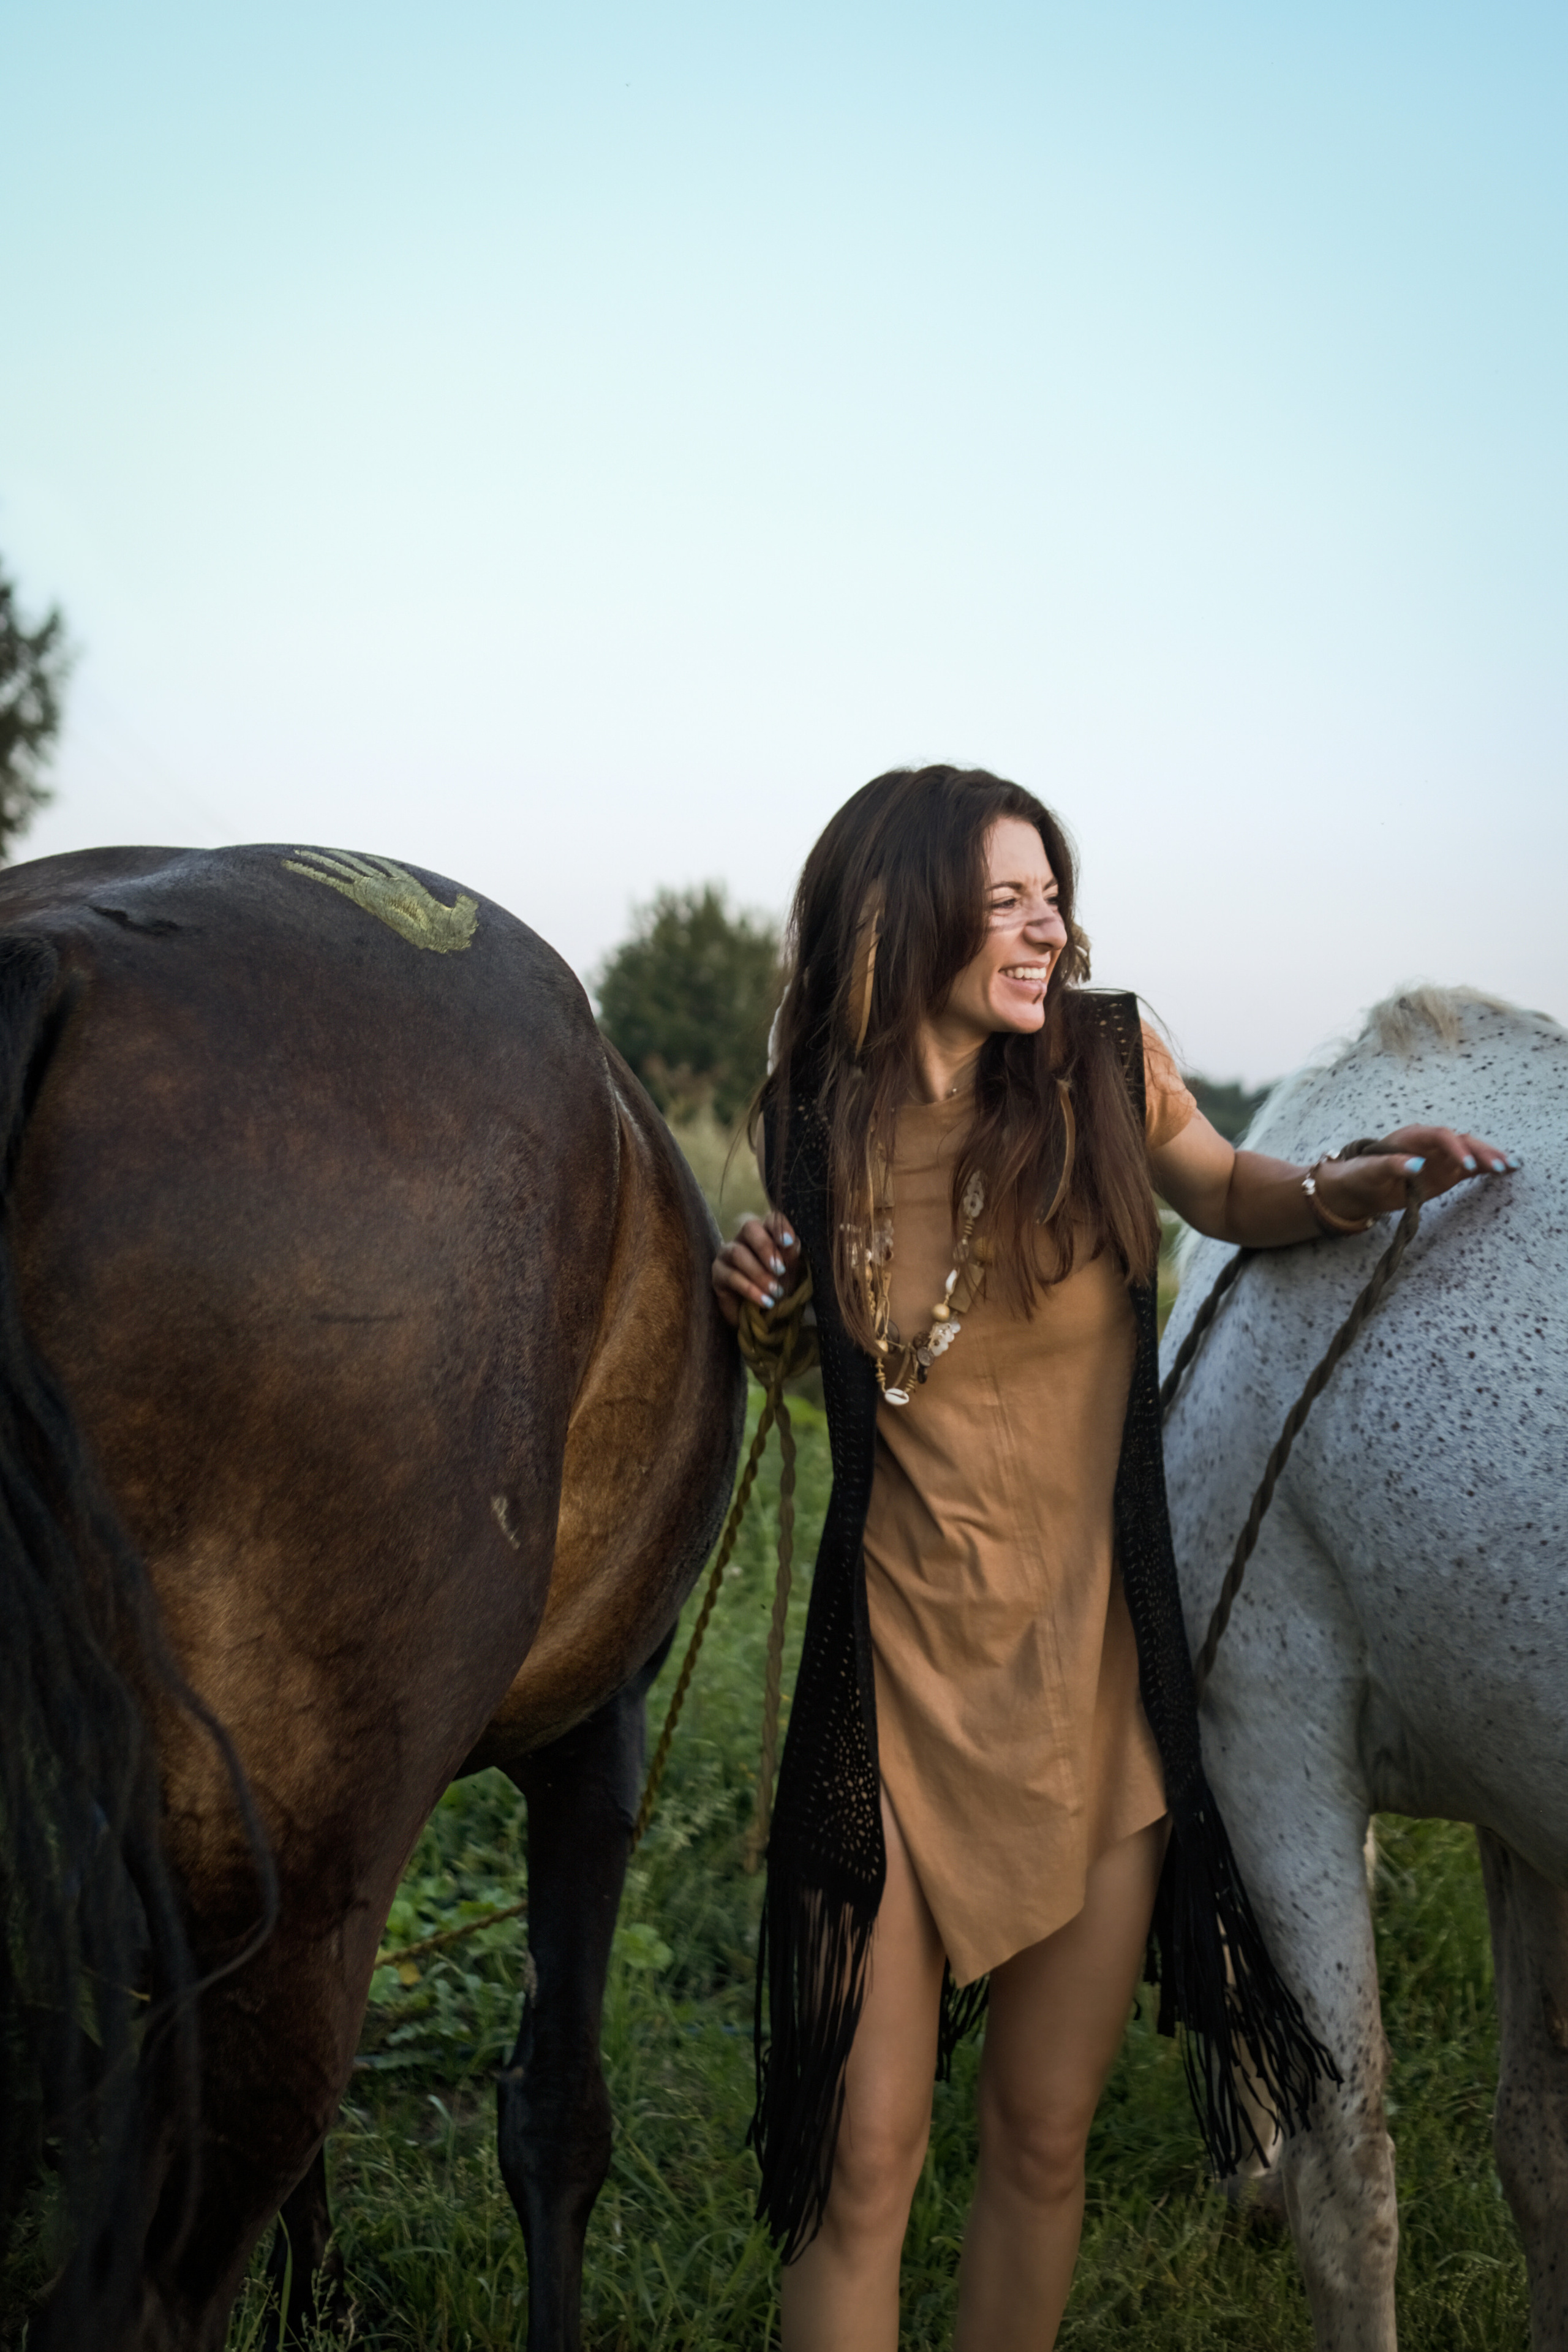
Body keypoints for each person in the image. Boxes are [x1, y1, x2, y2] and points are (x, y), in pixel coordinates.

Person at [711, 766, 1513, 2352]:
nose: (1046, 926)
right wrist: (762, 1307)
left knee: (1041, 2140)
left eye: (1051, 894)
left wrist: (1340, 1185)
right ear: (901, 916)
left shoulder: (1100, 1065)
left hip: (1092, 1697)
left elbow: (1223, 1187)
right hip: (895, 1700)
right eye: (1004, 899)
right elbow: (830, 1367)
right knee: (860, 2166)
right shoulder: (817, 1124)